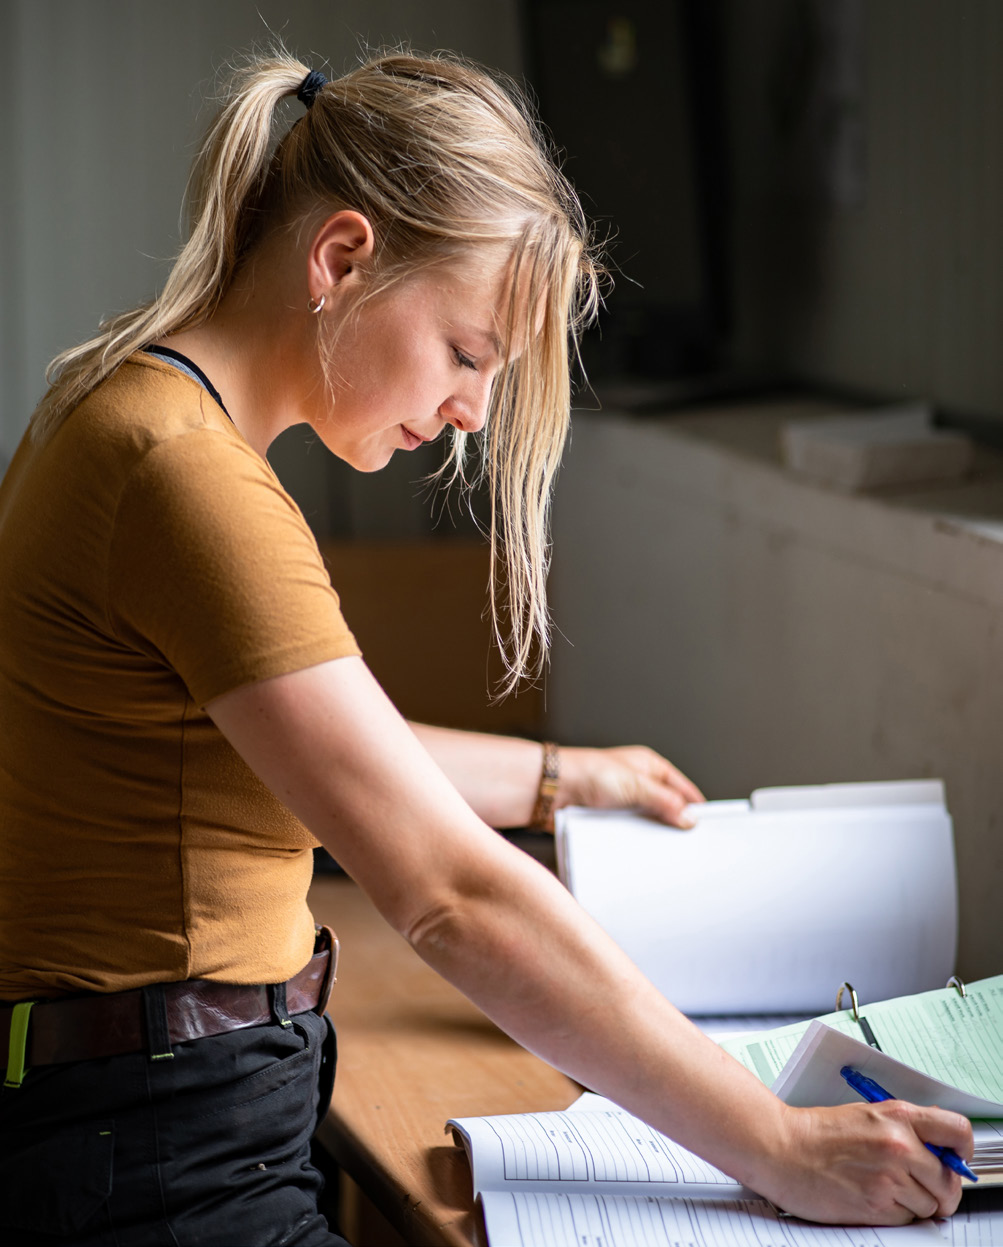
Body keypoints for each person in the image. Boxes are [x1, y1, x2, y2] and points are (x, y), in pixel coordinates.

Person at [0, 47, 971, 1247]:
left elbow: (320, 749)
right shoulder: (187, 483)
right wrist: (778, 1142)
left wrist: (565, 776)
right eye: (467, 353)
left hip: (139, 1123)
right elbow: (450, 893)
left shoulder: (124, 409)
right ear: (342, 258)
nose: (470, 410)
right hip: (158, 1155)